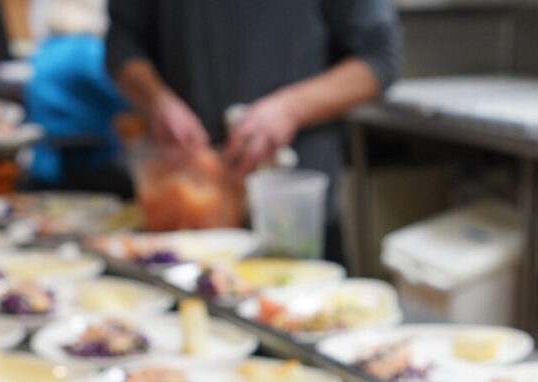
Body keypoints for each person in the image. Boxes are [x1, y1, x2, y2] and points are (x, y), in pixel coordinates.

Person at [105, 0, 403, 252]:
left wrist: (290, 108)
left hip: (294, 212)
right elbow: (122, 42)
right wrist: (158, 100)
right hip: (183, 207)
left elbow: (379, 58)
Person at [24, 0, 129, 193]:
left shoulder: (46, 49)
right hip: (84, 166)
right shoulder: (89, 52)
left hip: (43, 162)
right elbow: (128, 100)